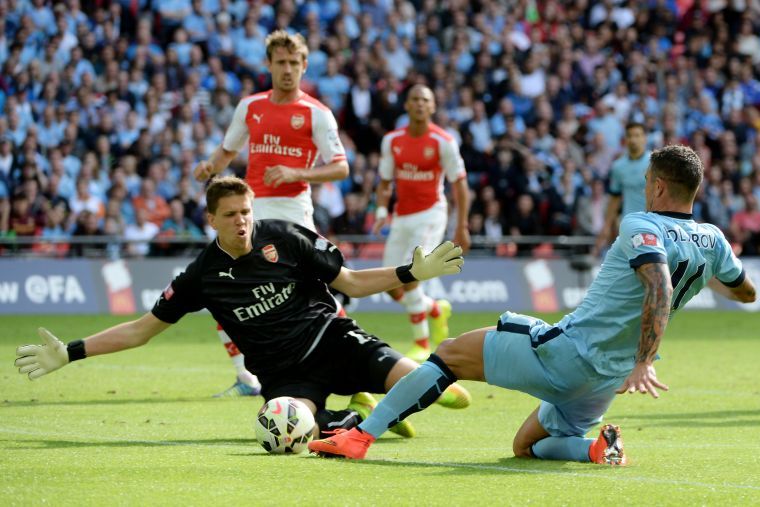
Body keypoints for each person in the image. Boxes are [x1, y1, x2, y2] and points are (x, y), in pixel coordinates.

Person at [309, 145, 757, 465]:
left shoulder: (640, 223)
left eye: (645, 182)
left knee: (449, 355)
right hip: (606, 379)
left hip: (570, 354)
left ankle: (359, 437)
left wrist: (645, 361)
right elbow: (745, 292)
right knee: (527, 446)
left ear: (658, 185)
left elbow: (658, 283)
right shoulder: (713, 240)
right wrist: (700, 276)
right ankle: (595, 449)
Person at [15, 177, 470, 439]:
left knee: (446, 393)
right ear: (211, 219)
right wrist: (70, 352)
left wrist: (411, 273)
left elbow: (349, 281)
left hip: (336, 342)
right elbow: (141, 330)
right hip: (287, 378)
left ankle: (371, 404)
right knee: (283, 429)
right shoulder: (200, 277)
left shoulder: (287, 236)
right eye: (231, 214)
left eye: (246, 211)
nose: (242, 221)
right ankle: (351, 418)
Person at [193, 30, 350, 397]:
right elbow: (227, 152)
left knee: (318, 296)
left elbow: (340, 167)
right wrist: (209, 167)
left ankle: (352, 359)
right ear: (268, 65)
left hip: (295, 212)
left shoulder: (317, 114)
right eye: (281, 62)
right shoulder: (250, 106)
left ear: (304, 66)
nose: (287, 70)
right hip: (250, 211)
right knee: (221, 290)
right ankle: (245, 378)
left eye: (294, 63)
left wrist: (298, 173)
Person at [371, 85, 471, 362]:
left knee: (414, 271)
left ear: (433, 107)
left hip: (431, 213)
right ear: (406, 105)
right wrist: (381, 211)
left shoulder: (443, 141)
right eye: (414, 99)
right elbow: (385, 181)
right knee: (390, 285)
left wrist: (462, 225)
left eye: (425, 100)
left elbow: (460, 185)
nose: (419, 104)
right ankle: (435, 309)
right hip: (401, 216)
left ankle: (422, 342)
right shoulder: (392, 141)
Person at [595, 122, 650, 255]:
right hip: (629, 223)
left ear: (644, 138)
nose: (633, 140)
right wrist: (607, 225)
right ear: (625, 139)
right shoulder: (618, 167)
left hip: (652, 223)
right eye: (629, 136)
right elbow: (615, 197)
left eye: (637, 135)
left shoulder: (654, 162)